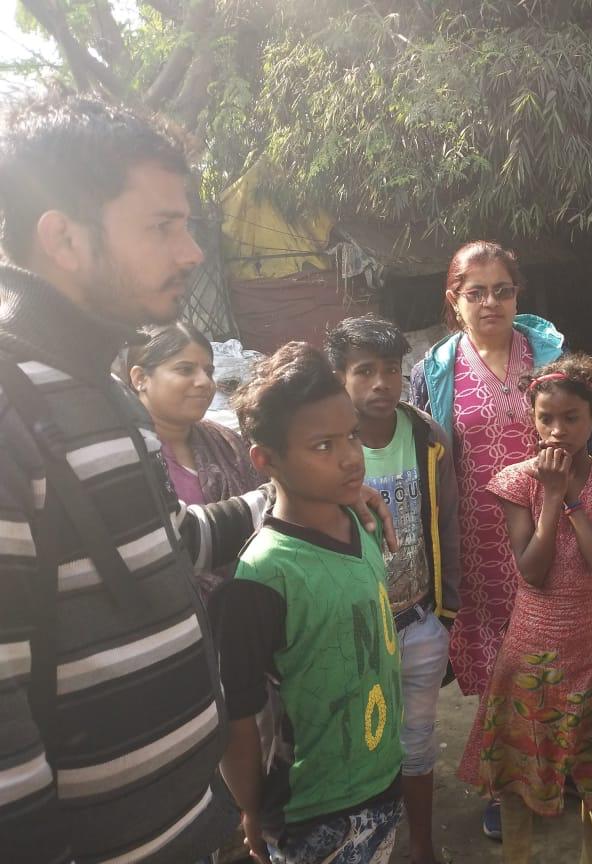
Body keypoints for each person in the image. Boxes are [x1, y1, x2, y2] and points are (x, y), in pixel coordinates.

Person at [0, 93, 391, 863]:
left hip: (185, 828)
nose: (190, 253)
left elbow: (171, 541)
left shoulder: (104, 392)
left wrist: (296, 490)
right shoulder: (13, 409)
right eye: (161, 226)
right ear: (64, 237)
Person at [409, 240, 592, 838]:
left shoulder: (549, 357)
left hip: (551, 524)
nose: (490, 302)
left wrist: (587, 512)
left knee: (558, 648)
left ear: (518, 295)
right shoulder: (435, 370)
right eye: (476, 292)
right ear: (454, 300)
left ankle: (557, 767)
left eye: (502, 290)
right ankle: (506, 782)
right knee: (501, 661)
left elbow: (585, 440)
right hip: (478, 538)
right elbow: (424, 457)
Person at [214, 342, 405, 864]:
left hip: (383, 782)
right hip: (311, 815)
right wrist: (250, 808)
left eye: (351, 436)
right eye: (323, 446)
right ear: (266, 459)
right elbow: (239, 718)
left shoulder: (364, 523)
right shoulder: (262, 577)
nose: (350, 457)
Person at [458, 353, 592, 864]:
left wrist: (571, 500)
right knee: (520, 768)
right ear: (532, 419)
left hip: (590, 641)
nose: (557, 430)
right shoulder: (516, 481)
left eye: (571, 418)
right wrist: (551, 498)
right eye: (545, 418)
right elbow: (532, 572)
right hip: (531, 642)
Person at [326, 315, 461, 864]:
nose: (381, 382)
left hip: (418, 617)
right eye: (364, 371)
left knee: (418, 740)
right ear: (339, 377)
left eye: (391, 368)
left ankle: (422, 844)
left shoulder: (427, 436)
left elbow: (448, 523)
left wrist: (446, 613)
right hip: (353, 628)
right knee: (358, 740)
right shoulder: (326, 448)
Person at [124, 321, 263, 595]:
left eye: (208, 371)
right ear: (140, 378)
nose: (204, 382)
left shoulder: (227, 442)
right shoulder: (128, 455)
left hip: (246, 602)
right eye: (185, 369)